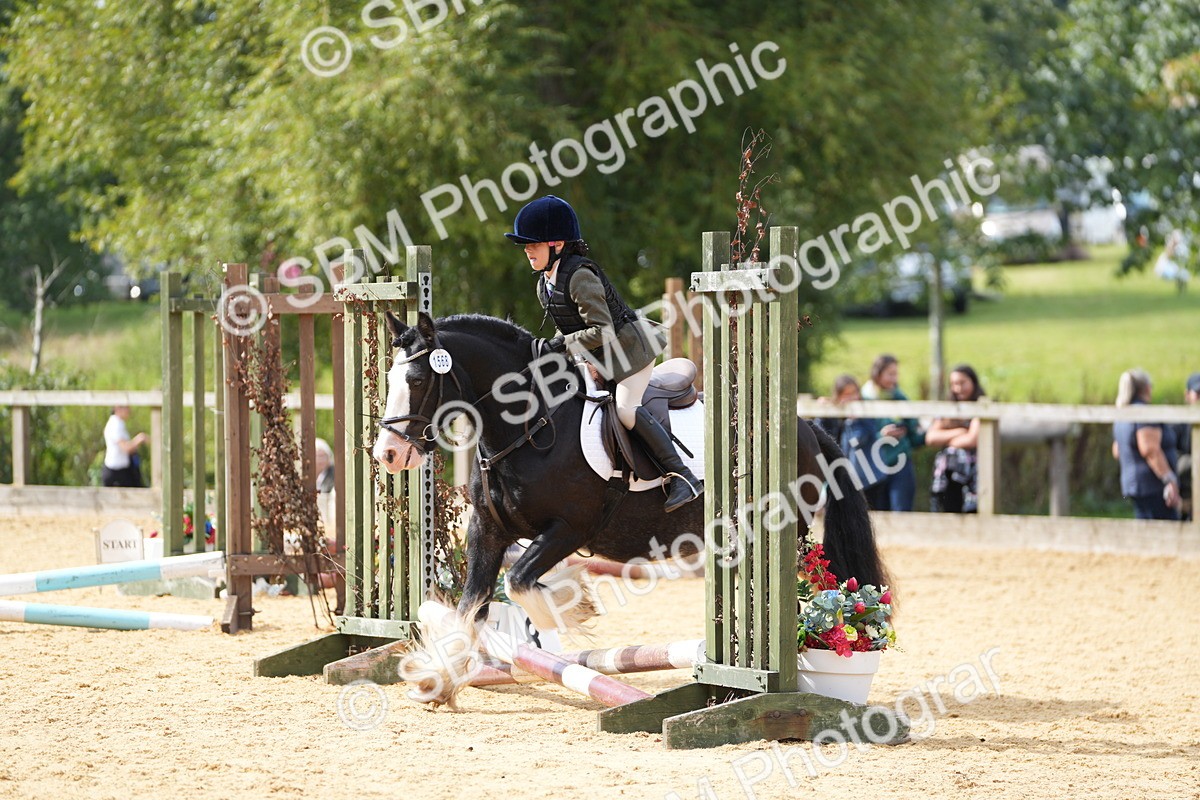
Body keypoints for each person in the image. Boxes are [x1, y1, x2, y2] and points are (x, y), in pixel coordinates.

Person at [505, 195, 702, 512]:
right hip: (597, 358)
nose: (527, 249)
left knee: (625, 409)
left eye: (533, 244)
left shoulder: (580, 277)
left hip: (629, 354)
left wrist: (561, 345)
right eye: (525, 245)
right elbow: (568, 327)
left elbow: (602, 330)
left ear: (556, 243)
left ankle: (683, 476)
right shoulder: (545, 284)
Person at [1111, 369, 1181, 521]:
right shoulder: (1145, 414)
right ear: (1147, 388)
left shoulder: (1122, 414)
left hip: (1133, 485)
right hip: (1153, 486)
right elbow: (1150, 449)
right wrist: (1169, 480)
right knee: (1167, 533)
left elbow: (1117, 451)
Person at [860, 354, 923, 512]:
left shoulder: (899, 397)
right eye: (890, 374)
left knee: (901, 511)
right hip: (874, 464)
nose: (894, 379)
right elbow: (859, 436)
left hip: (900, 461)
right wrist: (881, 436)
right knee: (877, 514)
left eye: (896, 374)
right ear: (878, 374)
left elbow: (913, 430)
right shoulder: (864, 399)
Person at [925, 365, 985, 513]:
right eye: (954, 384)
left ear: (973, 382)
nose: (958, 388)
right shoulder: (948, 409)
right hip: (948, 476)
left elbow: (971, 439)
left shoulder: (982, 407)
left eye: (962, 383)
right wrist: (959, 431)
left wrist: (945, 439)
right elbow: (931, 438)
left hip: (973, 475)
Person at [1170, 372, 1199, 521]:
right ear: (1187, 395)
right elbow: (1171, 455)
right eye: (1198, 394)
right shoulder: (1177, 423)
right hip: (1184, 492)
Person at [102, 405, 147, 487]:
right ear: (117, 408)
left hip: (123, 470)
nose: (129, 410)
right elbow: (125, 448)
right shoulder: (115, 424)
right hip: (115, 471)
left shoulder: (119, 423)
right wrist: (139, 439)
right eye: (126, 407)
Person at [815, 374, 860, 445]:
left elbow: (855, 442)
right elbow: (818, 435)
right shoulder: (831, 415)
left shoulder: (865, 415)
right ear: (838, 396)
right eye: (847, 394)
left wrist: (853, 422)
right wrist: (822, 414)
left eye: (854, 392)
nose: (853, 397)